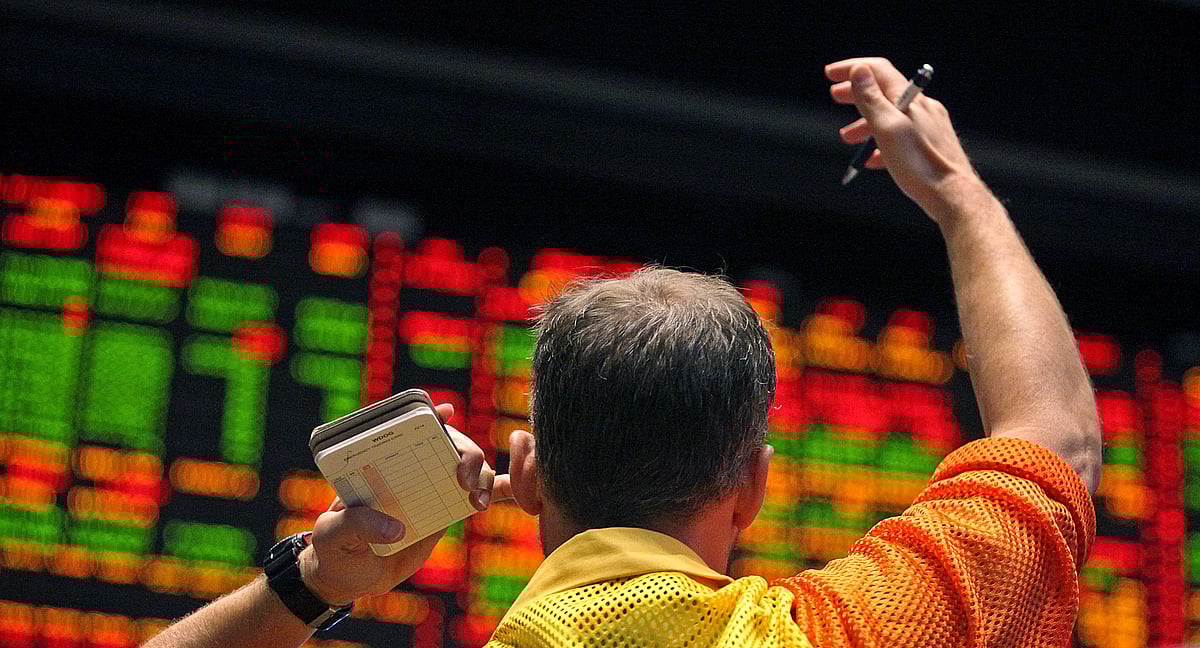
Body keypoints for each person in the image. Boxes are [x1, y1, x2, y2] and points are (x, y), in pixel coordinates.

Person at [144, 57, 1101, 648]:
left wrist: (311, 582)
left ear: (527, 469)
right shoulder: (866, 630)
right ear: (753, 487)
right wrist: (960, 195)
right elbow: (1055, 439)